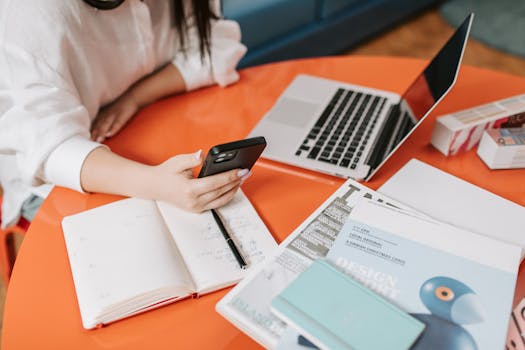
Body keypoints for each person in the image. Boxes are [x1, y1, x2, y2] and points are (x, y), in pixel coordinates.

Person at [0, 0, 249, 228]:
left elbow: (215, 46)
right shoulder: (28, 13)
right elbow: (51, 150)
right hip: (53, 181)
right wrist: (155, 184)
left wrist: (134, 98)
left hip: (146, 134)